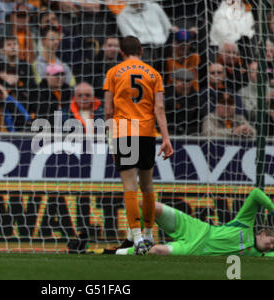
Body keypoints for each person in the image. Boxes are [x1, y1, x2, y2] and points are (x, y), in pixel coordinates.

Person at [103, 36, 173, 255]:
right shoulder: (154, 74)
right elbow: (159, 108)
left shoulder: (113, 73)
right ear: (141, 51)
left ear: (121, 52)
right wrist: (166, 138)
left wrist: (110, 139)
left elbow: (107, 111)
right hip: (146, 132)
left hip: (124, 131)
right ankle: (149, 233)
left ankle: (136, 238)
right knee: (148, 185)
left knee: (129, 186)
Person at [97, 188, 274, 257]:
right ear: (262, 232)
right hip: (197, 227)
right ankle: (129, 241)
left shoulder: (256, 254)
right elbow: (256, 194)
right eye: (271, 240)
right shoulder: (245, 224)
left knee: (155, 252)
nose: (270, 245)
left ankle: (116, 253)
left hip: (196, 248)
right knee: (148, 205)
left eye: (272, 246)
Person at [164, 68, 204, 136]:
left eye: (187, 81)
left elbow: (200, 119)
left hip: (191, 134)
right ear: (174, 81)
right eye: (181, 81)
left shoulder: (197, 97)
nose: (185, 84)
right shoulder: (165, 95)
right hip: (169, 131)